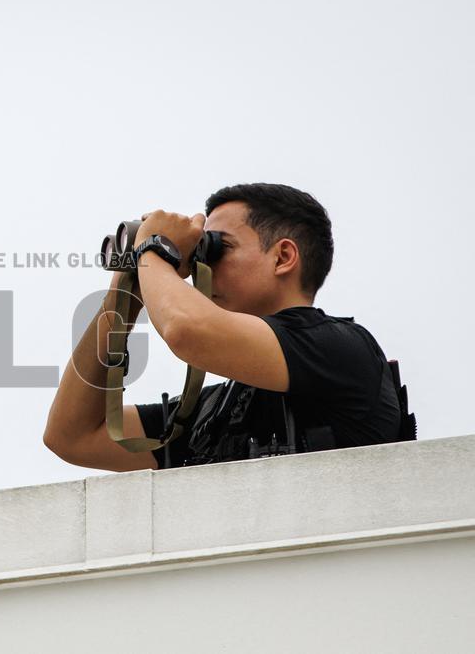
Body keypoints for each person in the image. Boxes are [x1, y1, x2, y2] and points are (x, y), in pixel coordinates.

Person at [43, 183, 403, 470]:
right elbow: (72, 435)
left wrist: (153, 251)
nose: (205, 265)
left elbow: (186, 331)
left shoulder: (339, 350)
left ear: (283, 257)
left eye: (218, 248)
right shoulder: (211, 413)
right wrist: (127, 292)